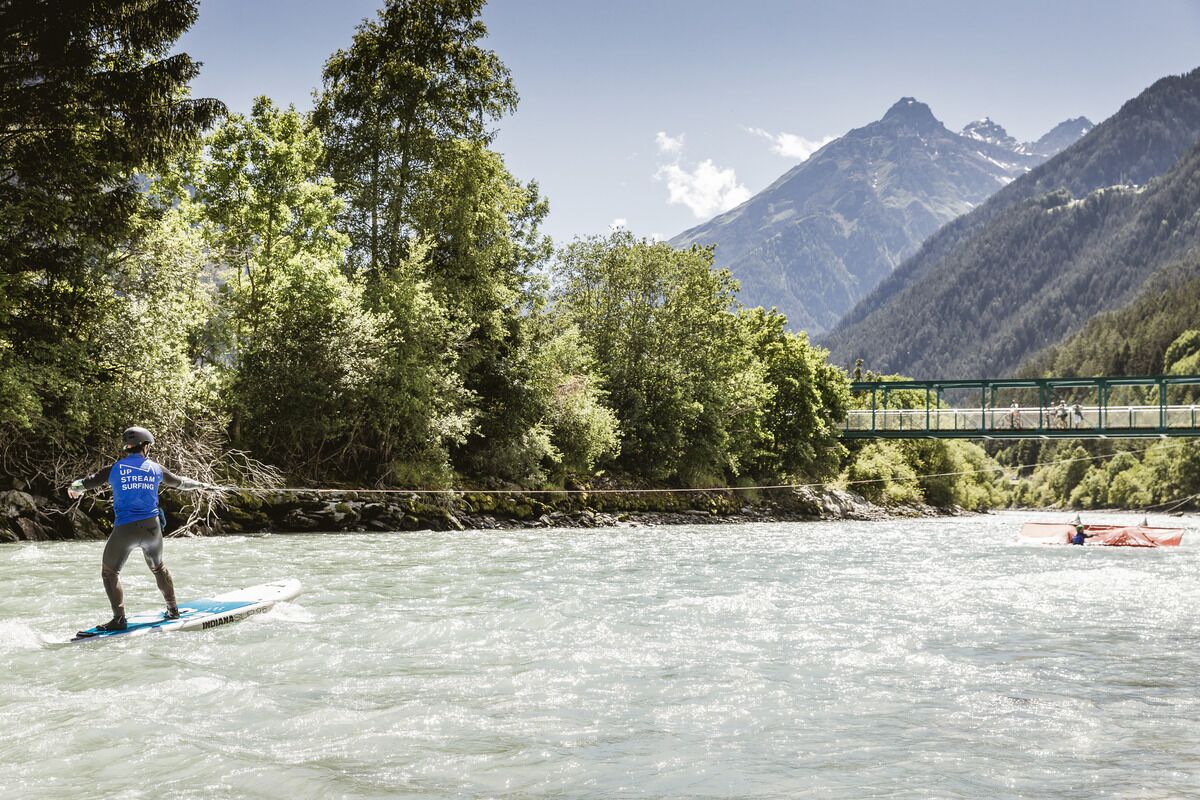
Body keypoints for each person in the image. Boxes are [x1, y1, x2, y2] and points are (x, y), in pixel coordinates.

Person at [68, 427, 212, 632]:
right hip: (152, 530)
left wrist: (73, 488)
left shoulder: (114, 469)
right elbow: (181, 483)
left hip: (124, 531)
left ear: (128, 447)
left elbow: (85, 483)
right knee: (159, 568)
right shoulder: (156, 469)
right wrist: (200, 484)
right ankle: (173, 611)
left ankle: (119, 619)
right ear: (146, 446)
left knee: (110, 572)